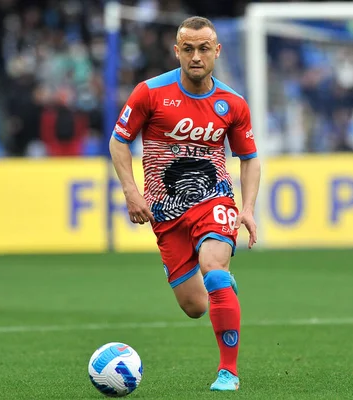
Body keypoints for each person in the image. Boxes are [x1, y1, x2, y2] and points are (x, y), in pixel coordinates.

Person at [109, 16, 260, 391]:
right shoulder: (149, 93)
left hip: (215, 198)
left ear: (217, 52)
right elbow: (118, 141)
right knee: (195, 307)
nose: (196, 57)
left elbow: (249, 158)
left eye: (204, 49)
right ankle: (217, 283)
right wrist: (131, 191)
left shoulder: (233, 104)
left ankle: (229, 371)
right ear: (176, 51)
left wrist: (248, 207)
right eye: (188, 49)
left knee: (213, 268)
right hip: (164, 211)